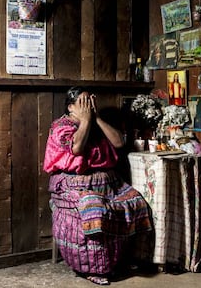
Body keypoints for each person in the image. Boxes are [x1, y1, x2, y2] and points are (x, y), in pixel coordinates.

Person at [43, 86, 153, 285]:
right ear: (70, 107)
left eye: (90, 102)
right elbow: (76, 148)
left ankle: (123, 259)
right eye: (83, 103)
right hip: (73, 186)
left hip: (109, 184)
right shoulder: (61, 126)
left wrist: (96, 118)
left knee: (136, 201)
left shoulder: (97, 124)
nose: (88, 107)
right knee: (95, 209)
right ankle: (94, 267)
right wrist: (85, 120)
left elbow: (119, 142)